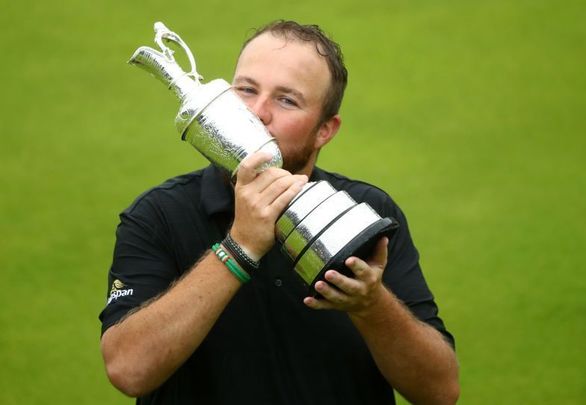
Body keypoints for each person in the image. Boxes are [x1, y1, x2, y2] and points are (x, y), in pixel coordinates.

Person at [99, 20, 459, 405]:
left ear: (325, 130)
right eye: (246, 89)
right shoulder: (159, 214)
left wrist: (371, 305)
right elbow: (128, 369)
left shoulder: (367, 214)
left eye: (286, 100)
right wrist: (240, 247)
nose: (256, 111)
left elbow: (439, 391)